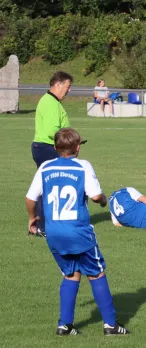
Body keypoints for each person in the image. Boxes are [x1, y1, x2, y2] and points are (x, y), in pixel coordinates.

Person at [25, 128, 130, 336]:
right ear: (78, 147)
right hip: (78, 232)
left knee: (71, 273)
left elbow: (30, 198)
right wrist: (103, 201)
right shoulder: (83, 166)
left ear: (55, 148)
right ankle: (110, 325)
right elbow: (95, 195)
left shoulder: (45, 167)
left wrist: (32, 218)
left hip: (54, 233)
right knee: (96, 273)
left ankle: (65, 325)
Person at [31, 71, 74, 237]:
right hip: (47, 148)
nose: (68, 91)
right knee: (50, 187)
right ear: (58, 84)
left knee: (48, 187)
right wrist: (70, 139)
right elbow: (51, 131)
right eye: (68, 87)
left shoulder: (51, 101)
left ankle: (42, 225)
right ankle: (44, 226)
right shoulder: (50, 102)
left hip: (45, 147)